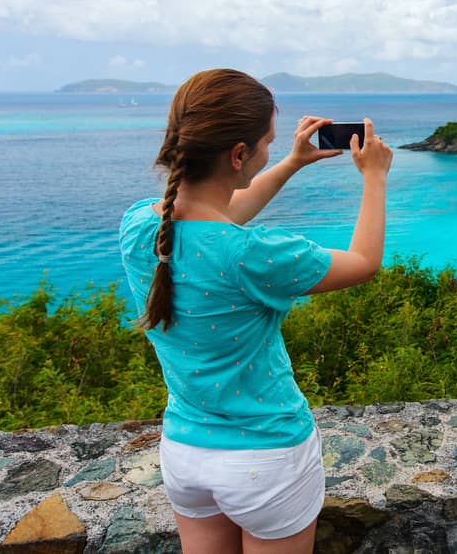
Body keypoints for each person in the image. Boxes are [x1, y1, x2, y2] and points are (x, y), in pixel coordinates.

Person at [119, 68, 392, 553]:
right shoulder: (253, 254)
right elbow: (365, 262)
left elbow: (218, 216)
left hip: (186, 455)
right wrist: (375, 177)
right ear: (239, 155)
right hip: (266, 460)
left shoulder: (141, 227)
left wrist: (291, 162)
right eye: (267, 142)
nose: (270, 149)